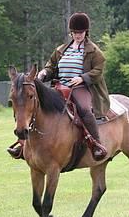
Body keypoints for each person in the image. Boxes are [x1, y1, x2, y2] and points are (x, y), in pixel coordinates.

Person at [7, 12, 110, 161]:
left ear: (86, 32)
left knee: (85, 111)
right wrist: (43, 73)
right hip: (60, 87)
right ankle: (23, 144)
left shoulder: (94, 51)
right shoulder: (61, 49)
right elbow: (51, 67)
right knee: (37, 108)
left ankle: (96, 145)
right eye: (75, 32)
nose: (78, 35)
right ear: (71, 32)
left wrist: (82, 78)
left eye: (80, 32)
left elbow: (98, 71)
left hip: (81, 88)